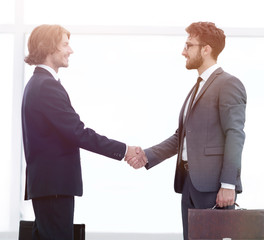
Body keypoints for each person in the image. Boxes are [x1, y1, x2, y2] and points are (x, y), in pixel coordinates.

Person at [22, 24, 147, 240]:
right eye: (65, 44)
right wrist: (124, 149)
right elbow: (78, 133)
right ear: (49, 47)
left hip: (48, 186)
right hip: (54, 187)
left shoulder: (38, 83)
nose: (70, 50)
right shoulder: (46, 86)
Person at [126, 22, 247, 240]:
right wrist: (147, 155)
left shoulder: (228, 84)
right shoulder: (197, 86)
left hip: (214, 188)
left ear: (206, 49)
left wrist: (228, 185)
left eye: (188, 45)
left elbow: (235, 135)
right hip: (190, 184)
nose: (183, 52)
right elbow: (181, 137)